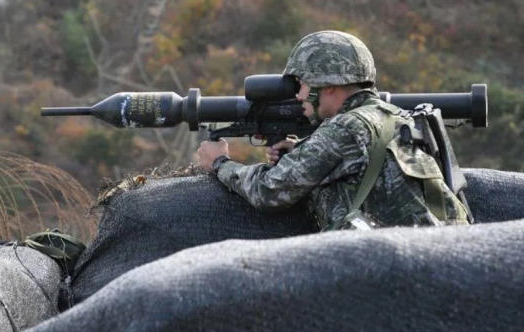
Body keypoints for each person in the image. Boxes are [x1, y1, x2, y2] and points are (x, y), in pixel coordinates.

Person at [196, 30, 469, 231]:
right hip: (436, 247)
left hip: (395, 265)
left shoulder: (346, 127)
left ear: (327, 86)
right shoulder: (393, 116)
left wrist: (220, 163)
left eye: (302, 85)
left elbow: (270, 190)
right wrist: (302, 150)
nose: (299, 95)